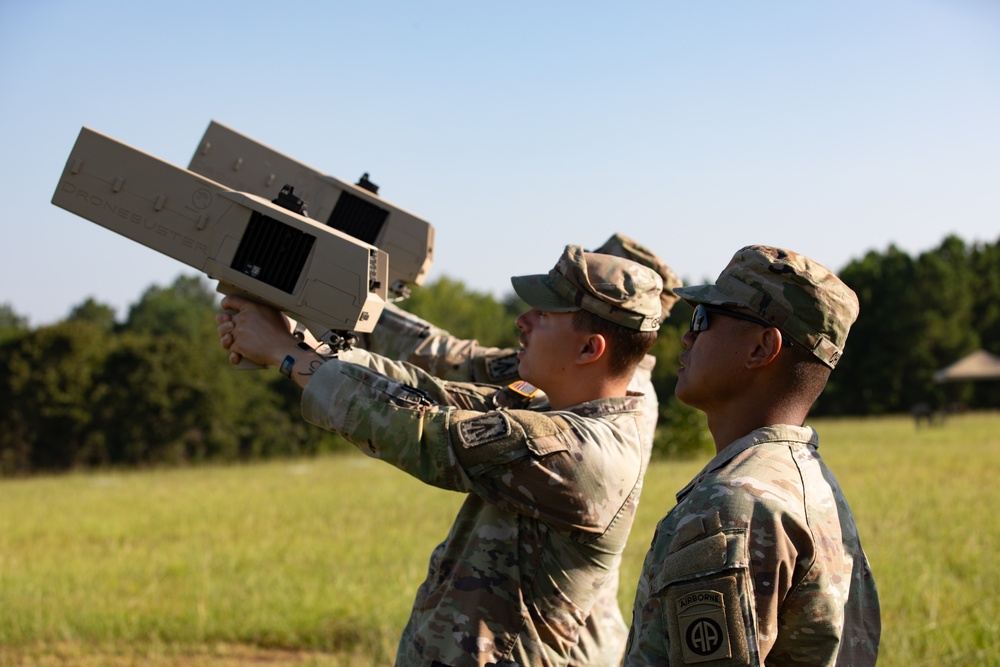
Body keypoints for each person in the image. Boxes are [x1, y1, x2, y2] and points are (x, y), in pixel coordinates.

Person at [218, 244, 663, 667]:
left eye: (544, 314)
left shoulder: (585, 453)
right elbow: (429, 394)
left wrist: (286, 355)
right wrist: (304, 344)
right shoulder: (546, 408)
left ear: (590, 349)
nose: (522, 321)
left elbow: (424, 433)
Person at [352, 233, 682, 666]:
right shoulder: (573, 377)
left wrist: (312, 344)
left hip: (554, 638)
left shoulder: (599, 399)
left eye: (555, 305)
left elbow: (448, 390)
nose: (526, 320)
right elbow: (459, 379)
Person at [623, 245, 881, 666]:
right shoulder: (806, 480)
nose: (687, 336)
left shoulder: (735, 503)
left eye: (703, 319)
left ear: (762, 348)